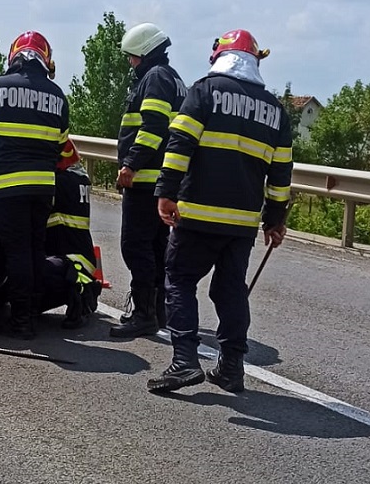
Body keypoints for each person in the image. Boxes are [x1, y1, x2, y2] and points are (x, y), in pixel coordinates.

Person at [147, 30, 293, 394]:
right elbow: (281, 172)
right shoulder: (275, 110)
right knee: (231, 292)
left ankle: (184, 362)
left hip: (197, 213)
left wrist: (165, 192)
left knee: (179, 280)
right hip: (241, 222)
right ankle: (231, 367)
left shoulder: (204, 91)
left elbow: (179, 144)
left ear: (219, 57)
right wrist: (275, 220)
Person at [0, 31, 71, 339]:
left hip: (6, 186)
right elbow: (61, 144)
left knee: (16, 253)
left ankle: (21, 321)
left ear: (14, 56)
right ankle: (32, 312)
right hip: (43, 187)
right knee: (34, 250)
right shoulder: (57, 95)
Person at [110, 23, 187, 338]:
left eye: (132, 57)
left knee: (135, 245)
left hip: (145, 180)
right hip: (165, 181)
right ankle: (158, 311)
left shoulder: (154, 79)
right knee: (157, 248)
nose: (131, 63)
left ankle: (143, 314)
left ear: (143, 52)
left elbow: (153, 128)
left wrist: (130, 164)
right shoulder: (174, 79)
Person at [40, 140, 100, 329]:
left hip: (67, 266)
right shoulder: (80, 180)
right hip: (84, 262)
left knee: (30, 273)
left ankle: (77, 296)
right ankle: (85, 290)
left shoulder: (57, 182)